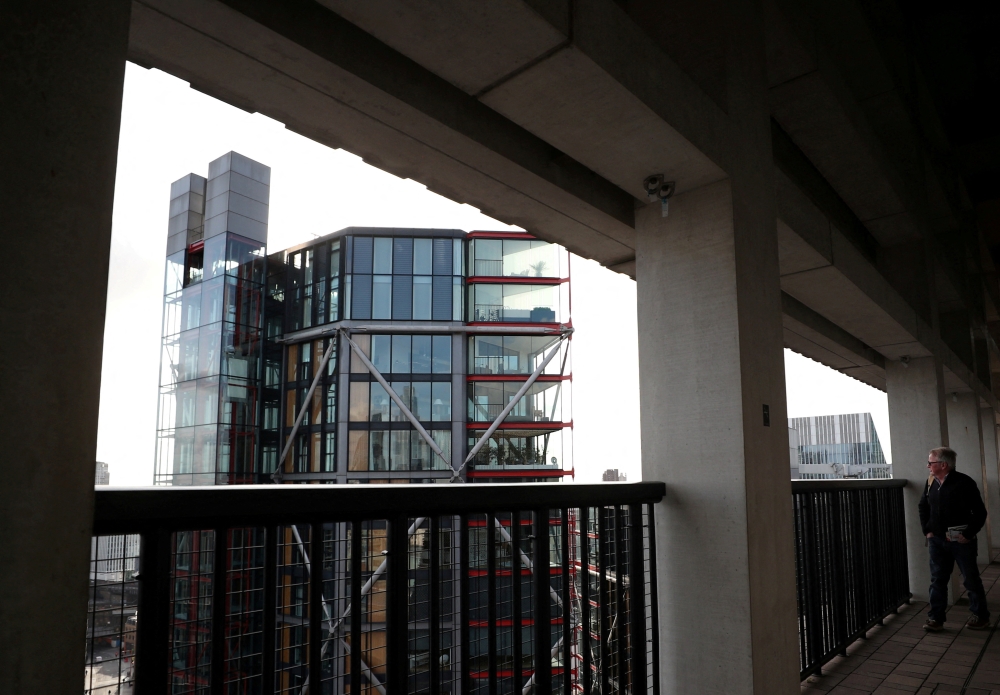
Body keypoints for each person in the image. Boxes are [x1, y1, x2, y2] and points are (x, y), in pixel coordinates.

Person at [919, 446, 990, 631]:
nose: (928, 466)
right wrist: (927, 530)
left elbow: (980, 512)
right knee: (937, 580)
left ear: (943, 465)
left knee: (970, 579)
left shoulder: (964, 483)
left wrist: (968, 534)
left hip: (961, 540)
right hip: (937, 540)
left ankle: (981, 616)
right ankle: (936, 618)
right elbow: (923, 506)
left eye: (930, 462)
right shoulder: (930, 482)